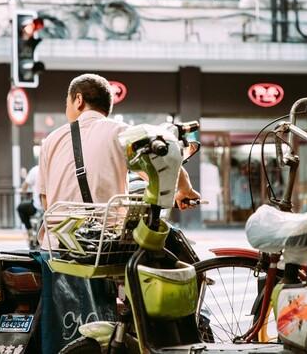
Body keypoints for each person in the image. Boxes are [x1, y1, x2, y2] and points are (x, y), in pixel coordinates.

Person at [35, 73, 200, 352]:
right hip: (106, 245)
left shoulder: (51, 139)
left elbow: (45, 198)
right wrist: (185, 190)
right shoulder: (119, 131)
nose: (67, 108)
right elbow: (166, 156)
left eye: (67, 102)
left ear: (78, 99)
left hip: (58, 245)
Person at [17, 164, 41, 243]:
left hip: (38, 206)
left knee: (20, 208)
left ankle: (30, 232)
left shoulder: (35, 170)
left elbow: (24, 187)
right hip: (52, 206)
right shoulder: (52, 168)